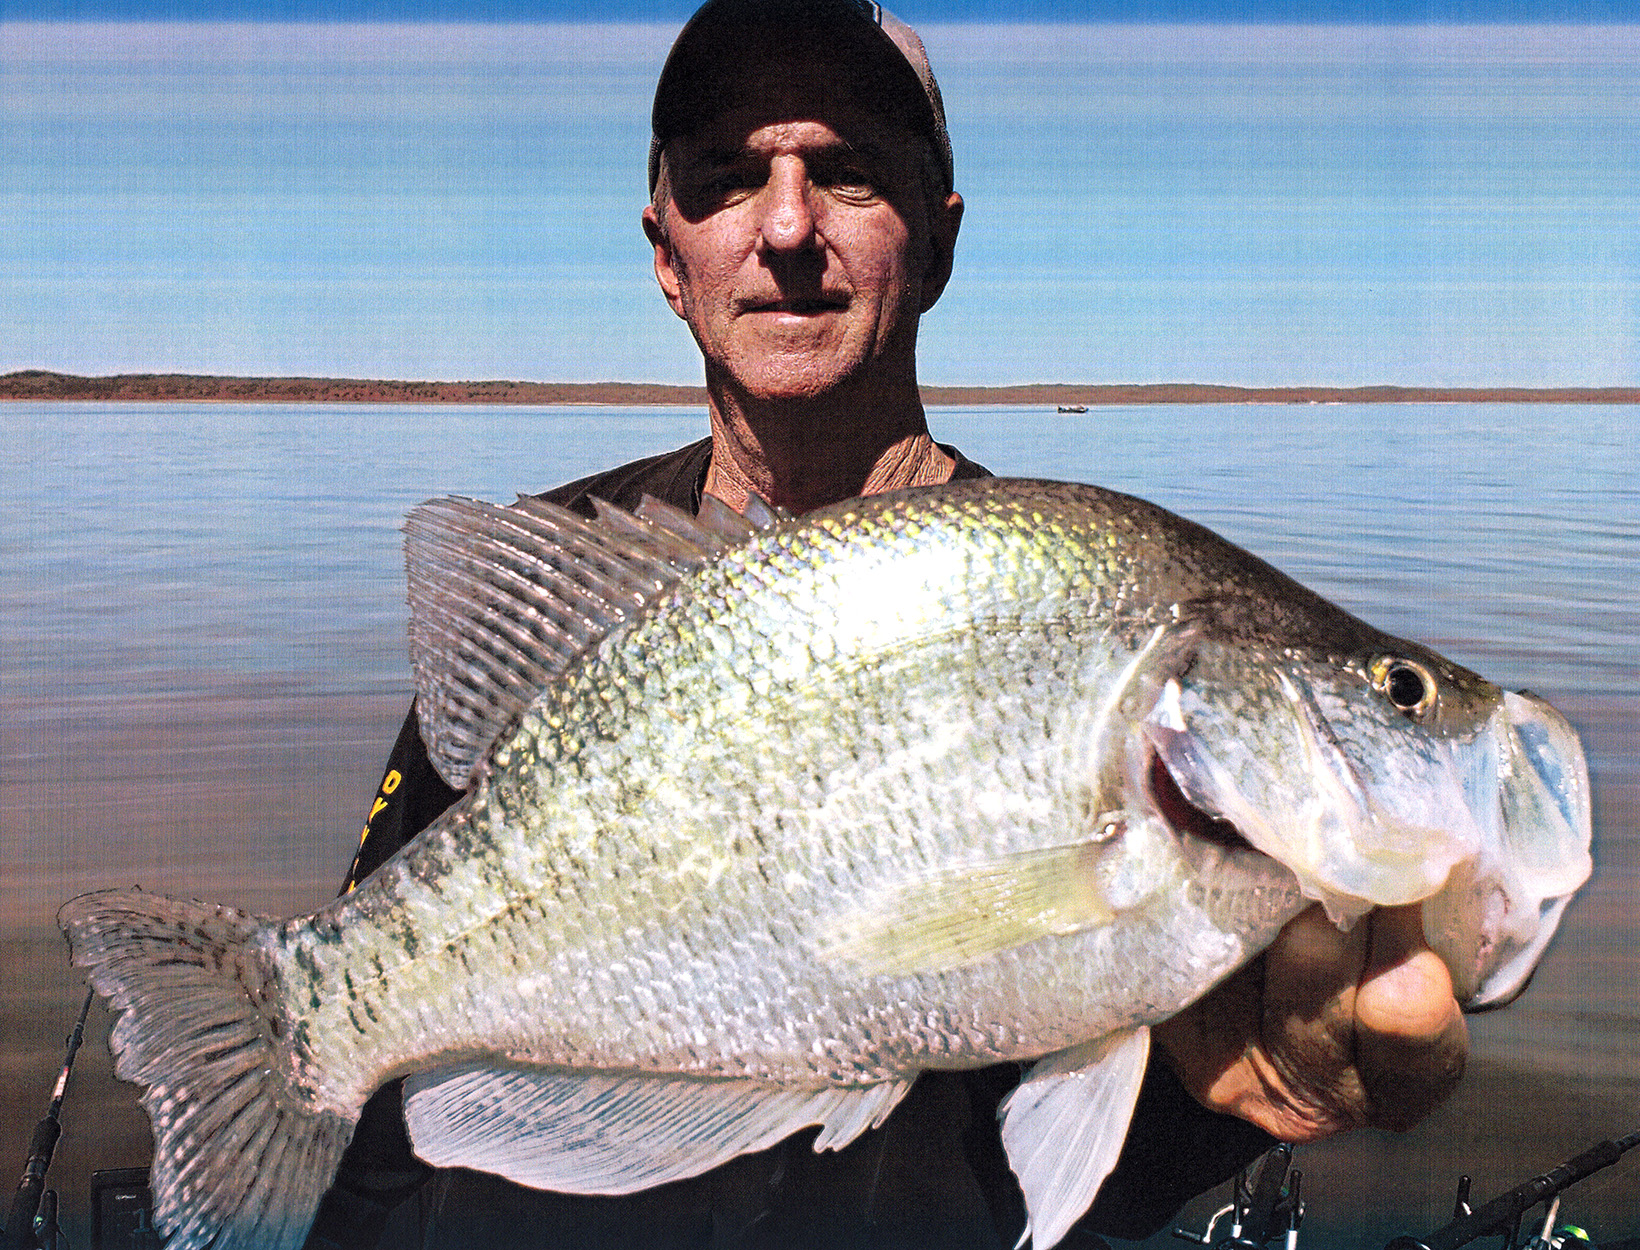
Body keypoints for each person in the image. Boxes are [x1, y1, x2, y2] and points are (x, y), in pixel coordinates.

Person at [304, 1, 1468, 1245]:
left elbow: (1090, 1140)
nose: (788, 225)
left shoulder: (1096, 619)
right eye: (728, 177)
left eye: (846, 170)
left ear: (937, 241)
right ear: (665, 252)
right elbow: (373, 1066)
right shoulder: (560, 585)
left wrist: (1242, 1099)